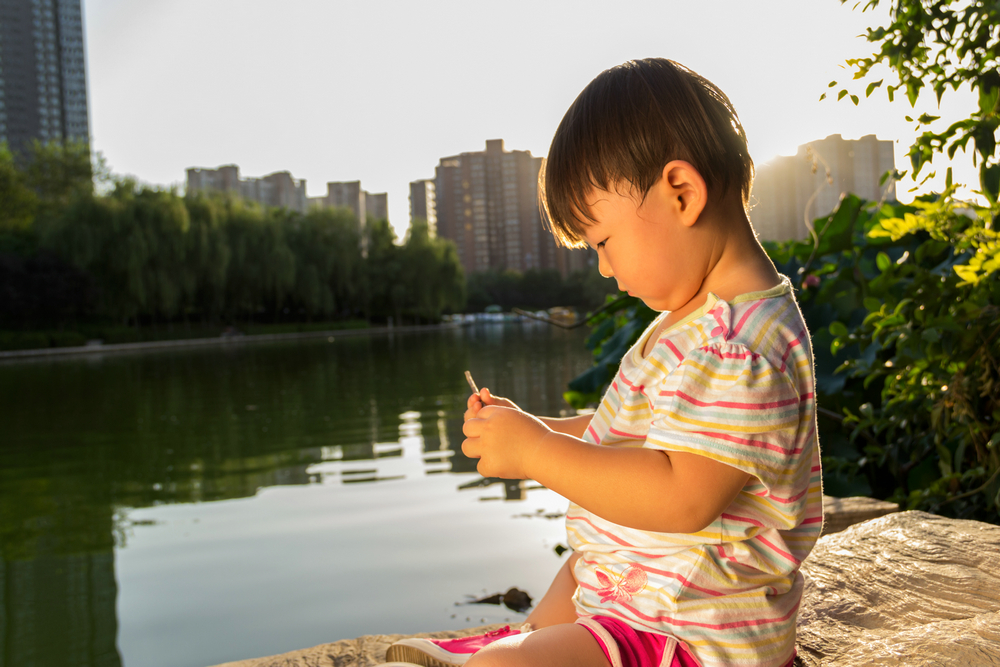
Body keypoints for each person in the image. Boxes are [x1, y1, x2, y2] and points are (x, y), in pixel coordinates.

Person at [386, 58, 822, 667]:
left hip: (694, 638)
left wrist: (538, 453)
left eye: (604, 242)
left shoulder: (737, 347)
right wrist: (537, 429)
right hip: (652, 602)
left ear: (682, 193)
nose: (604, 268)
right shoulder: (698, 321)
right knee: (580, 565)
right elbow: (638, 439)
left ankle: (508, 655)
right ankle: (529, 640)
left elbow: (680, 497)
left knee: (505, 664)